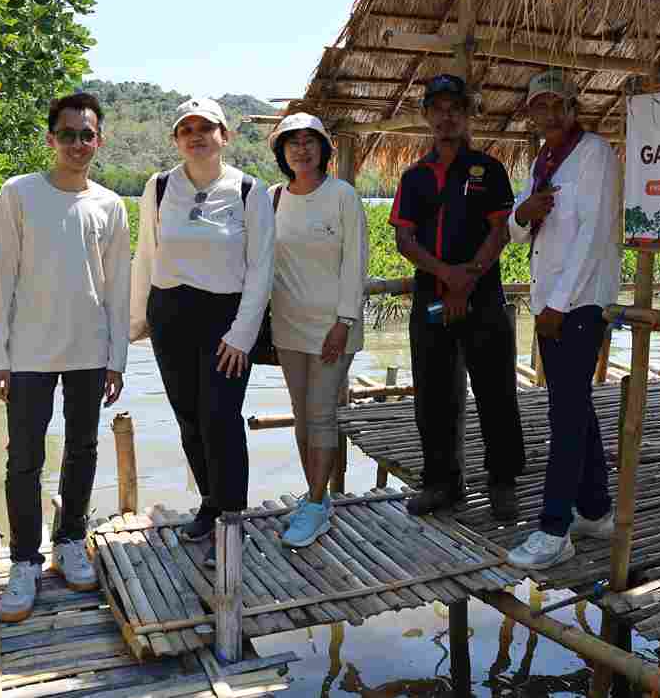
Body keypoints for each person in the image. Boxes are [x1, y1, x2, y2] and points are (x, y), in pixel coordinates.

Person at [0, 92, 131, 622]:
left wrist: (117, 358)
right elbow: (0, 276)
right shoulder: (19, 192)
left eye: (86, 135)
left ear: (99, 141)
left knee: (83, 448)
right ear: (51, 139)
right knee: (24, 458)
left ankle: (70, 539)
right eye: (67, 134)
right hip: (28, 351)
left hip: (89, 349)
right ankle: (24, 560)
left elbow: (118, 288)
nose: (77, 143)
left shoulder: (110, 205)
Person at [130, 98, 274, 565]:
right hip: (170, 314)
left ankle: (232, 522)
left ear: (224, 136)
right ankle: (211, 503)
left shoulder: (249, 189)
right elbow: (146, 256)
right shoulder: (158, 186)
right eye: (186, 129)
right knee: (189, 418)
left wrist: (242, 335)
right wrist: (135, 321)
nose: (196, 136)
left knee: (221, 418)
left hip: (225, 319)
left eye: (206, 128)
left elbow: (261, 269)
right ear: (176, 139)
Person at [390, 74, 526, 519]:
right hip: (432, 297)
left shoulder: (489, 169)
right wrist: (447, 277)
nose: (446, 117)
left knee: (496, 391)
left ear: (468, 115)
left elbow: (499, 231)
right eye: (438, 108)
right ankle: (442, 483)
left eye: (455, 109)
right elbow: (404, 241)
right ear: (426, 115)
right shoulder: (414, 177)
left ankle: (502, 482)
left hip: (482, 295)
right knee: (433, 394)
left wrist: (466, 280)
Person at [506, 68, 622, 570]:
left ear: (575, 108)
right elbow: (517, 228)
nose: (549, 113)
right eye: (540, 106)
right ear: (531, 114)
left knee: (566, 415)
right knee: (573, 406)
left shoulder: (595, 154)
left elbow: (593, 237)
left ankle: (554, 530)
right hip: (548, 302)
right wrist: (523, 212)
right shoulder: (543, 160)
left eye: (558, 104)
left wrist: (558, 304)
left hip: (579, 304)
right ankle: (594, 511)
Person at [267, 113, 368, 548]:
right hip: (288, 325)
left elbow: (356, 263)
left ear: (324, 148)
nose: (302, 149)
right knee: (302, 414)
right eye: (292, 142)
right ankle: (317, 498)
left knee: (322, 413)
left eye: (310, 141)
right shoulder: (272, 198)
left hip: (333, 328)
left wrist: (344, 322)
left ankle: (312, 505)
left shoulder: (342, 196)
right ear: (282, 152)